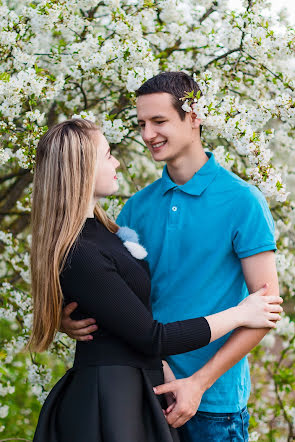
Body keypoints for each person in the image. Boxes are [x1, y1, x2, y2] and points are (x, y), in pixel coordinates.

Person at [29, 118, 282, 442]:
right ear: (81, 168)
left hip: (145, 388)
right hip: (110, 400)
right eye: (107, 155)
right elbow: (152, 336)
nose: (117, 161)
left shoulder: (111, 232)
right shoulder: (82, 251)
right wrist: (239, 314)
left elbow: (125, 308)